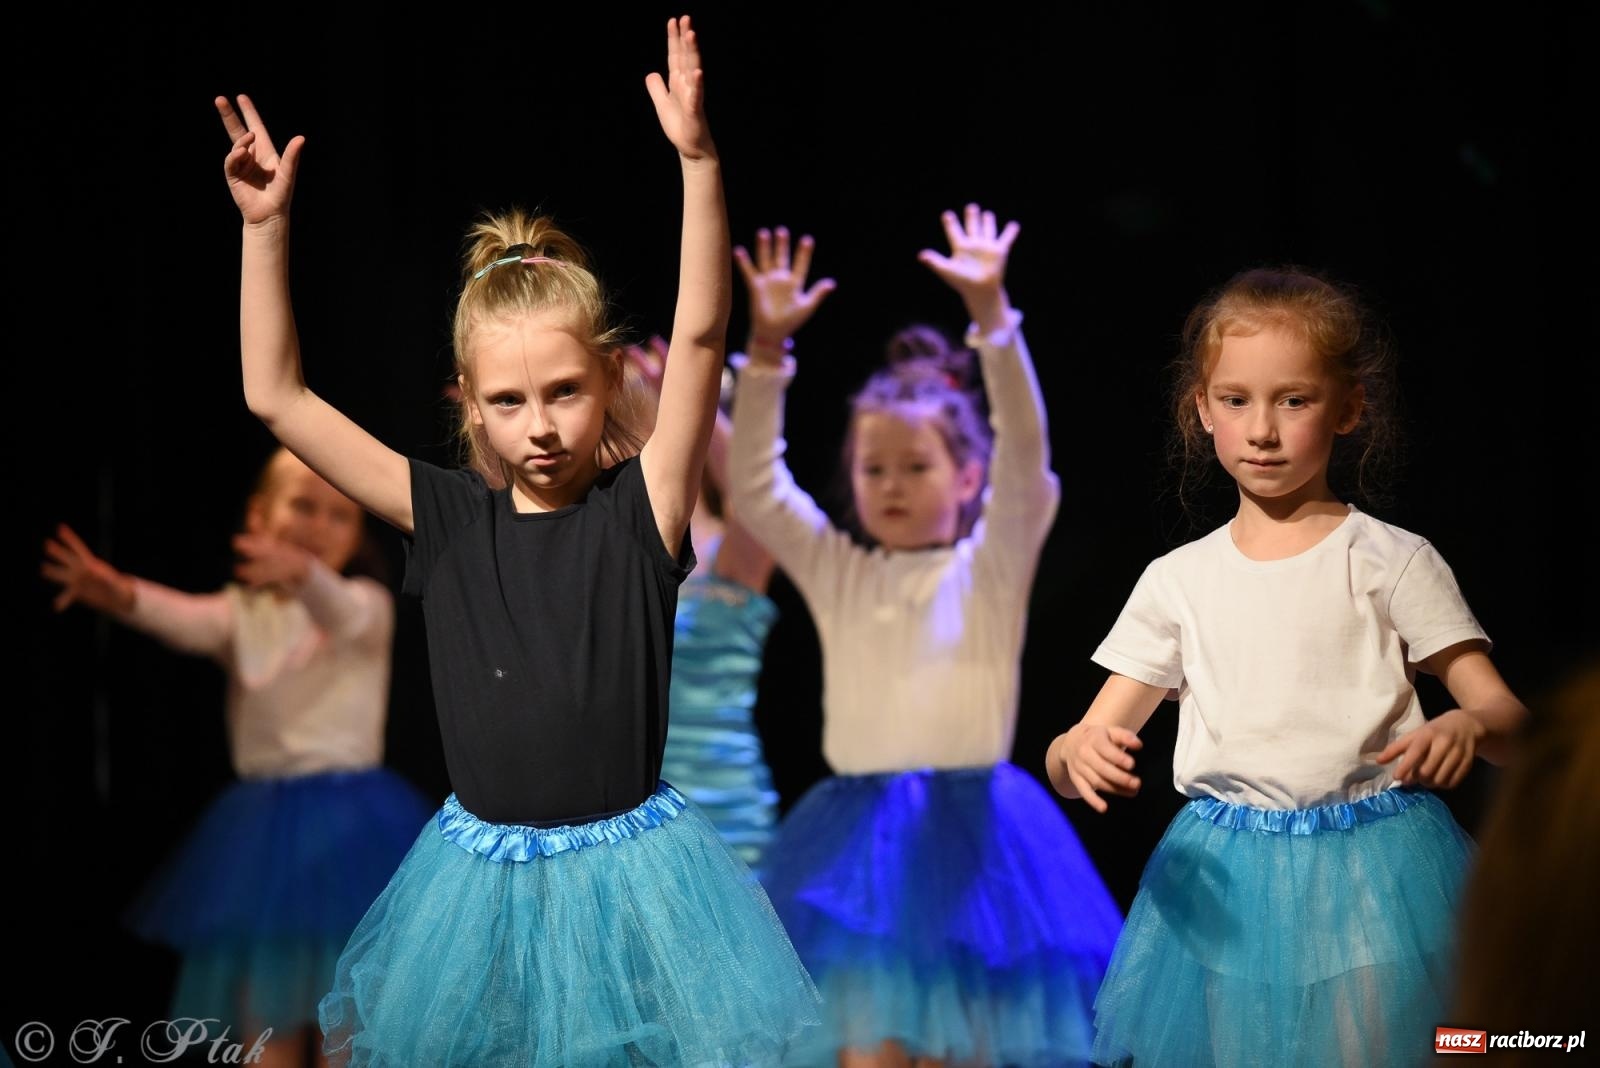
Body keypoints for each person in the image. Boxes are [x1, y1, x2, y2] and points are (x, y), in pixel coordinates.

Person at [214, 15, 819, 1066]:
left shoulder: (644, 511)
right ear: (473, 411)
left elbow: (709, 335)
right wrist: (264, 232)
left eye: (565, 392)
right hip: (479, 890)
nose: (540, 425)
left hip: (636, 887)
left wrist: (699, 164)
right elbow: (275, 396)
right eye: (510, 400)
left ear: (612, 382)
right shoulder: (444, 520)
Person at [1047, 266, 1530, 1066]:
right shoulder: (1179, 580)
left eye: (1293, 400)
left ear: (1349, 408)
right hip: (1232, 886)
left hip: (1377, 872)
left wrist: (1470, 724)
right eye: (1235, 400)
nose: (1262, 430)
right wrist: (1074, 753)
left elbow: (1514, 727)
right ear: (1201, 410)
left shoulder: (1391, 561)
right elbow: (1078, 753)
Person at [729, 209, 1122, 1067]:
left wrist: (993, 319)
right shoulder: (840, 568)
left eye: (918, 467)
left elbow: (1029, 452)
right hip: (858, 850)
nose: (893, 486)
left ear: (969, 476)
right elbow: (756, 488)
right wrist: (766, 354)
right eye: (875, 469)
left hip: (981, 846)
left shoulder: (990, 565)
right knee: (870, 1049)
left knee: (975, 1046)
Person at [41, 446, 432, 1068]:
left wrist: (301, 575)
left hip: (353, 833)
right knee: (266, 1023)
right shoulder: (240, 616)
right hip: (264, 845)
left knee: (351, 1027)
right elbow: (178, 617)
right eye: (301, 506)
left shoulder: (365, 607)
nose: (316, 526)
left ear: (358, 533)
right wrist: (114, 592)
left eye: (338, 515)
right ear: (258, 515)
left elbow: (334, 604)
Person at [629, 336, 783, 870]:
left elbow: (761, 500)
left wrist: (692, 404)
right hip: (627, 817)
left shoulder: (734, 550)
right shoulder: (603, 546)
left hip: (725, 814)